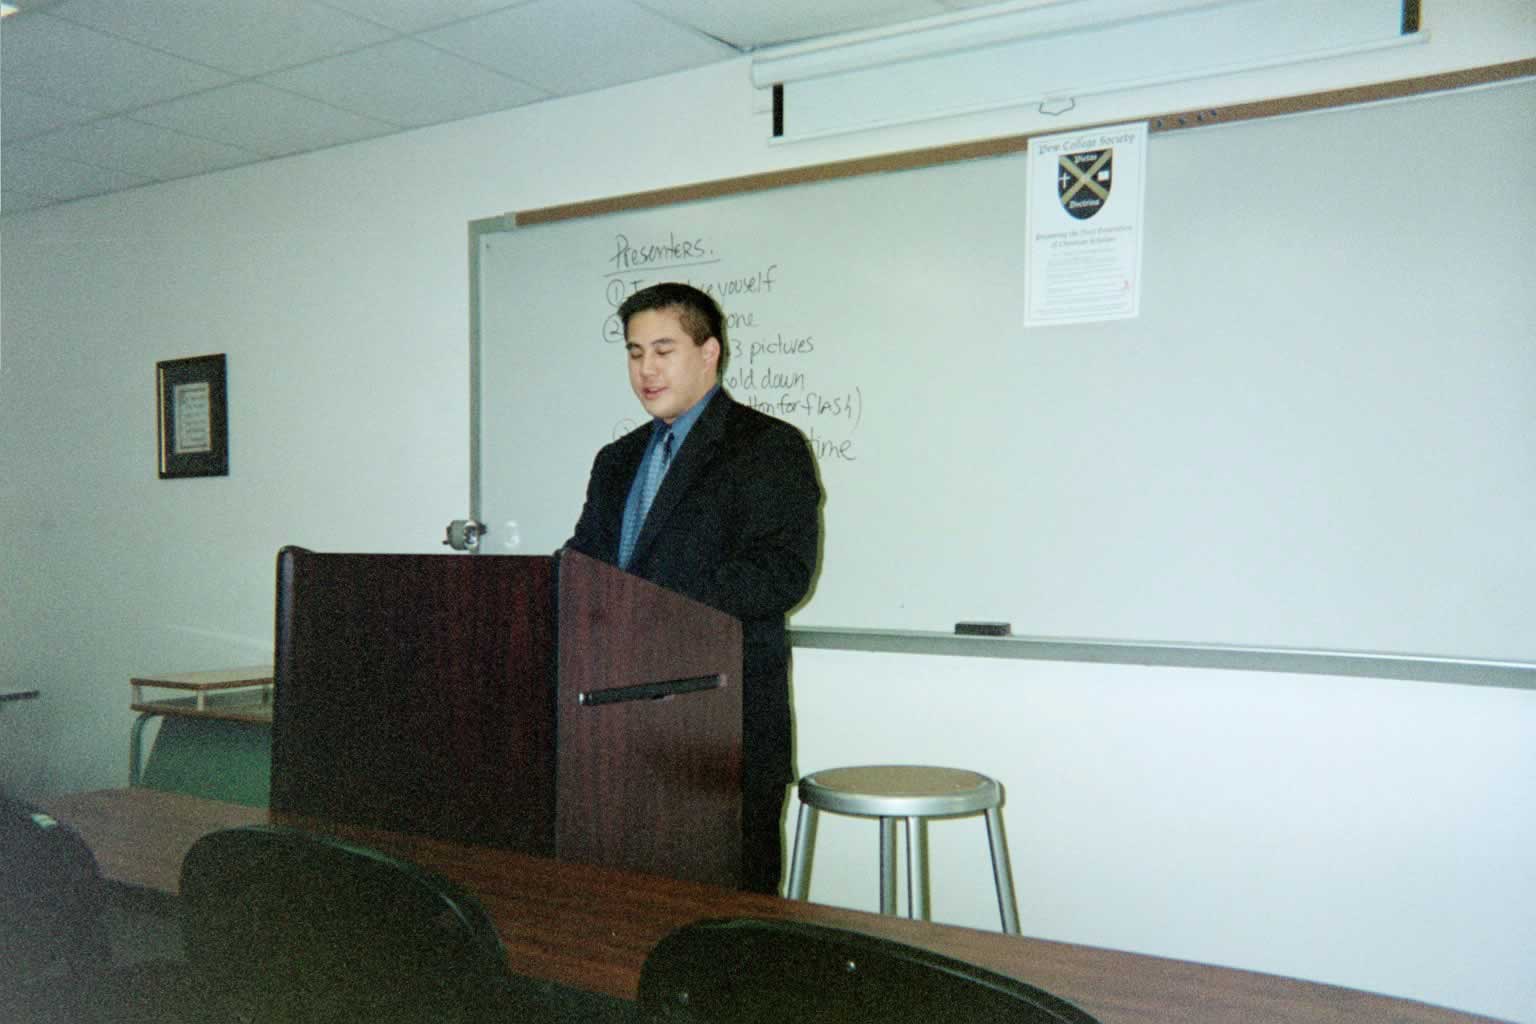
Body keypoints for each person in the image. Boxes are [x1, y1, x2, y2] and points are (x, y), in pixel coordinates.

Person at [566, 282, 821, 894]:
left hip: (721, 728)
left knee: (732, 928)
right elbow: (584, 563)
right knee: (626, 912)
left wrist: (650, 605)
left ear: (709, 353)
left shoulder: (768, 447)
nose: (646, 370)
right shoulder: (616, 459)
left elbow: (780, 572)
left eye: (663, 350)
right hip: (618, 728)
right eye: (633, 353)